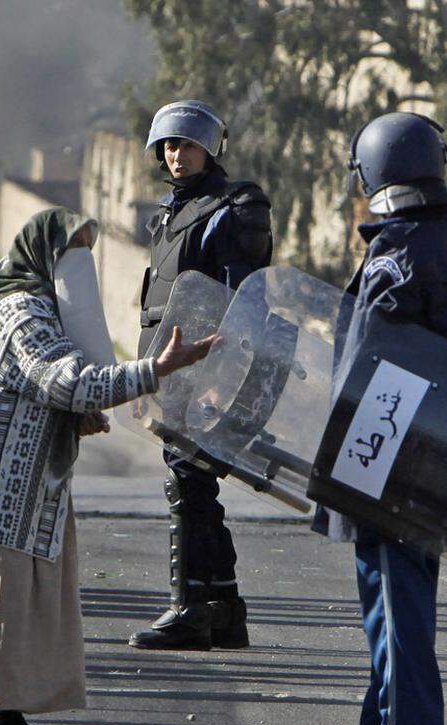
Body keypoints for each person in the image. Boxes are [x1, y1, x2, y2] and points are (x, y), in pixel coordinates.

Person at [0, 207, 214, 725]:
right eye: (72, 253)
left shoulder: (7, 301)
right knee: (5, 601)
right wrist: (157, 369)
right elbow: (68, 381)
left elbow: (44, 389)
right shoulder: (24, 312)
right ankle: (4, 719)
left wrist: (72, 410)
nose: (80, 269)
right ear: (45, 255)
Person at [318, 112, 447, 725]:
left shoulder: (399, 253)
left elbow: (370, 363)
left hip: (392, 456)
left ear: (374, 172)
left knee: (393, 602)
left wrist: (346, 465)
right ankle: (381, 721)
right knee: (400, 601)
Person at [128, 100, 272, 652]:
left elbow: (244, 300)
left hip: (206, 369)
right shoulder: (171, 211)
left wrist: (225, 375)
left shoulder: (234, 207)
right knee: (193, 482)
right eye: (168, 145)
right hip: (170, 368)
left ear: (209, 149)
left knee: (189, 482)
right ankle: (223, 608)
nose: (176, 154)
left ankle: (190, 607)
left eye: (186, 144)